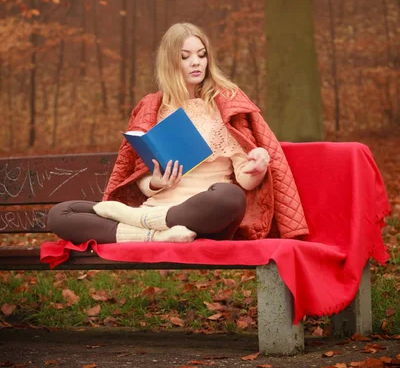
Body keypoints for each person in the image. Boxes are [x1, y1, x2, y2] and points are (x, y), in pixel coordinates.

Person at [48, 22, 309, 245]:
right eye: (185, 56)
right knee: (61, 214)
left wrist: (256, 168)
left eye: (201, 54)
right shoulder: (152, 108)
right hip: (158, 208)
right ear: (170, 61)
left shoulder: (225, 102)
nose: (196, 62)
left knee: (231, 198)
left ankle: (144, 226)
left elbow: (245, 180)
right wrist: (155, 183)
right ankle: (156, 235)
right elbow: (140, 176)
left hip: (204, 214)